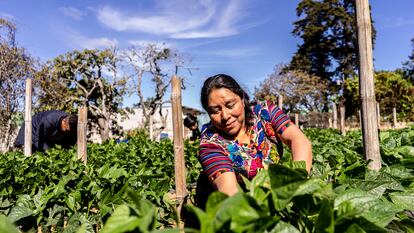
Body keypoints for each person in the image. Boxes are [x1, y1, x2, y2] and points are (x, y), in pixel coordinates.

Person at [197, 74, 312, 200]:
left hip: (275, 192)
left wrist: (295, 187)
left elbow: (299, 140)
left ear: (242, 99)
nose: (225, 116)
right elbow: (229, 190)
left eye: (230, 105)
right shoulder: (210, 143)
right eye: (215, 111)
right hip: (243, 202)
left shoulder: (265, 112)